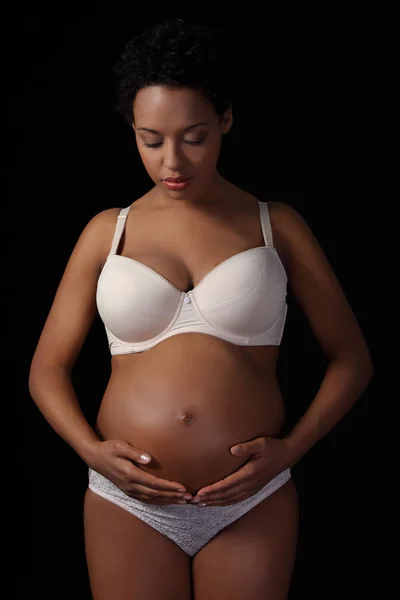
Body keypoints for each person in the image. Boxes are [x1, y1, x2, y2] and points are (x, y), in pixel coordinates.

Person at [28, 17, 373, 600]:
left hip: (249, 500)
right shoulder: (106, 233)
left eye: (194, 136)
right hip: (128, 501)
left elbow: (352, 359)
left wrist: (290, 450)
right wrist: (92, 452)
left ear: (226, 121)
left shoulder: (276, 225)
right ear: (133, 131)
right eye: (151, 139)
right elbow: (45, 370)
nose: (173, 162)